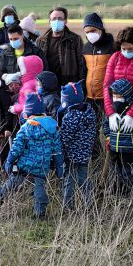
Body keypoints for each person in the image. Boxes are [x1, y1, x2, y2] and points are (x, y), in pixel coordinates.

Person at [0, 93, 64, 219]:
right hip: (41, 166)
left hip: (25, 165)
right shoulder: (52, 128)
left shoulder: (25, 128)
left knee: (13, 182)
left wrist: (9, 161)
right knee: (39, 188)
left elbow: (16, 148)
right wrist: (59, 167)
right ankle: (39, 213)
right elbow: (57, 151)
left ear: (28, 113)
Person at [105, 79, 133, 196]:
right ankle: (115, 192)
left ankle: (127, 194)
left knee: (127, 172)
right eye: (114, 96)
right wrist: (108, 137)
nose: (116, 99)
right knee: (115, 170)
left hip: (129, 150)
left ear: (126, 96)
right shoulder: (111, 111)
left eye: (119, 96)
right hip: (114, 148)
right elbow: (105, 125)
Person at [58, 81, 97, 210]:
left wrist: (60, 149)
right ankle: (89, 203)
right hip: (85, 154)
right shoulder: (90, 112)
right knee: (84, 179)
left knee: (69, 180)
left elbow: (65, 138)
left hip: (72, 155)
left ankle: (67, 206)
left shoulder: (70, 117)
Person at [36, 7, 86, 86]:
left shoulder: (75, 39)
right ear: (49, 21)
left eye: (60, 19)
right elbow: (37, 64)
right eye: (54, 19)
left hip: (68, 84)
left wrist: (81, 85)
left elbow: (81, 64)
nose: (57, 21)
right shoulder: (40, 41)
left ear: (65, 21)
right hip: (47, 84)